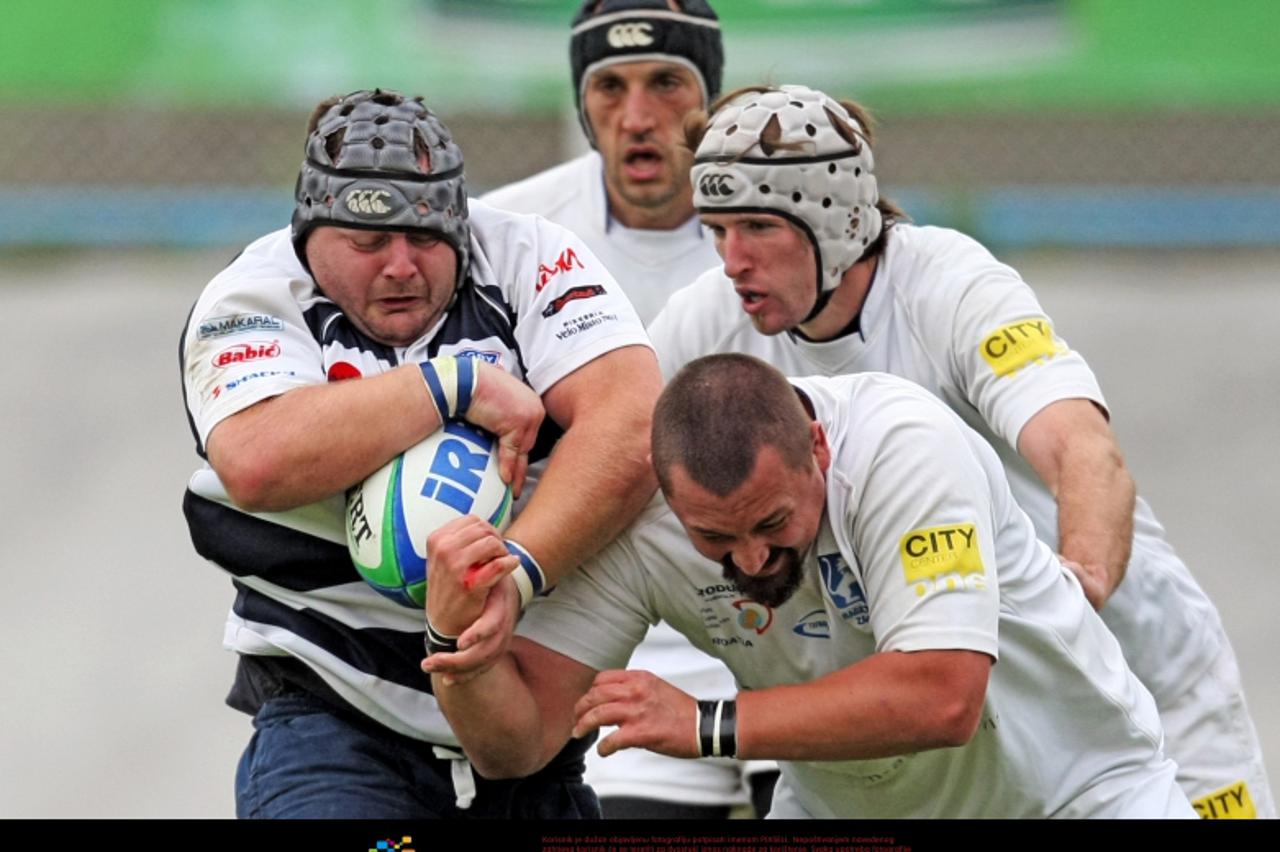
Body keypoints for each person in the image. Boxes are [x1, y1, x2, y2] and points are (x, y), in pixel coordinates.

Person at [646, 83, 1274, 819]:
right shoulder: (708, 322)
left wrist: (1078, 596)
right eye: (717, 229)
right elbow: (609, 447)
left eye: (756, 225)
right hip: (958, 718)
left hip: (1135, 682)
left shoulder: (948, 286)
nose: (732, 259)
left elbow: (1085, 453)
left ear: (835, 221)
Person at [422, 354, 1198, 819]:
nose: (754, 560)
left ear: (817, 447)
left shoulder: (903, 446)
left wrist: (705, 724)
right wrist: (456, 644)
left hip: (1086, 796)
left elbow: (943, 696)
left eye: (773, 522)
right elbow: (514, 747)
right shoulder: (644, 525)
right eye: (716, 539)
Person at [179, 88, 662, 819]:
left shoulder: (529, 256)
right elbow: (255, 458)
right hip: (335, 727)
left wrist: (518, 577)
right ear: (309, 232)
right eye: (369, 243)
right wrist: (452, 384)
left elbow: (634, 427)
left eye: (427, 237)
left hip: (525, 722)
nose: (402, 266)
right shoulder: (254, 293)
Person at [483, 0, 777, 820]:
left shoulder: (787, 223)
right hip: (620, 643)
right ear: (581, 105)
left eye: (667, 83)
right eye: (609, 87)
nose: (639, 117)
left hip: (796, 624)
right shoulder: (510, 239)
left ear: (709, 98)